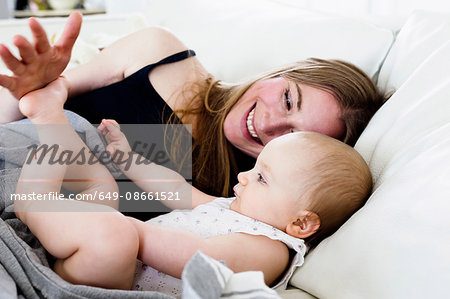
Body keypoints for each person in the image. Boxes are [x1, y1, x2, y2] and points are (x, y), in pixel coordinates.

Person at [13, 77, 372, 296]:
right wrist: (126, 159)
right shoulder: (230, 210)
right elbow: (176, 190)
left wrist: (123, 227)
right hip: (106, 263)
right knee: (102, 183)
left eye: (262, 177)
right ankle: (49, 118)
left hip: (101, 282)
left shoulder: (272, 250)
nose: (244, 177)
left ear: (302, 223)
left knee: (111, 234)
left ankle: (33, 202)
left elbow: (198, 255)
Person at [0, 12, 385, 199]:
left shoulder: (244, 195)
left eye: (296, 136)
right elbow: (27, 105)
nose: (270, 125)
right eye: (287, 99)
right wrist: (30, 90)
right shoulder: (159, 51)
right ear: (279, 73)